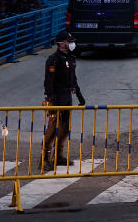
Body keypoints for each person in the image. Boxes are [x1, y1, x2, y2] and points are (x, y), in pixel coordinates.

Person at [43, 31, 85, 171]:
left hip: (67, 97)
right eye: (69, 41)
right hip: (56, 98)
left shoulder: (71, 58)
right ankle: (44, 159)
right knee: (52, 129)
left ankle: (58, 157)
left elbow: (74, 79)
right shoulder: (54, 59)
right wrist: (51, 99)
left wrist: (79, 95)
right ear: (61, 43)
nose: (71, 43)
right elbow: (48, 81)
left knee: (65, 128)